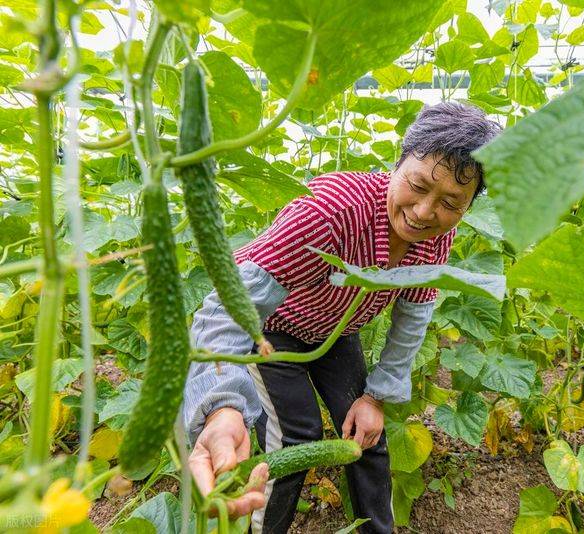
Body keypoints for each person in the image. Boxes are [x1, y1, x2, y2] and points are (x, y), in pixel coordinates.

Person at [182, 102, 502, 533]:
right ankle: (260, 528)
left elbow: (413, 316)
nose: (426, 212)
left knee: (367, 434)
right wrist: (220, 407)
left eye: (450, 202)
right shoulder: (330, 211)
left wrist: (376, 398)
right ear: (398, 161)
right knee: (297, 435)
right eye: (418, 185)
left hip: (335, 331)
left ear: (468, 205)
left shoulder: (437, 235)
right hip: (270, 328)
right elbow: (227, 307)